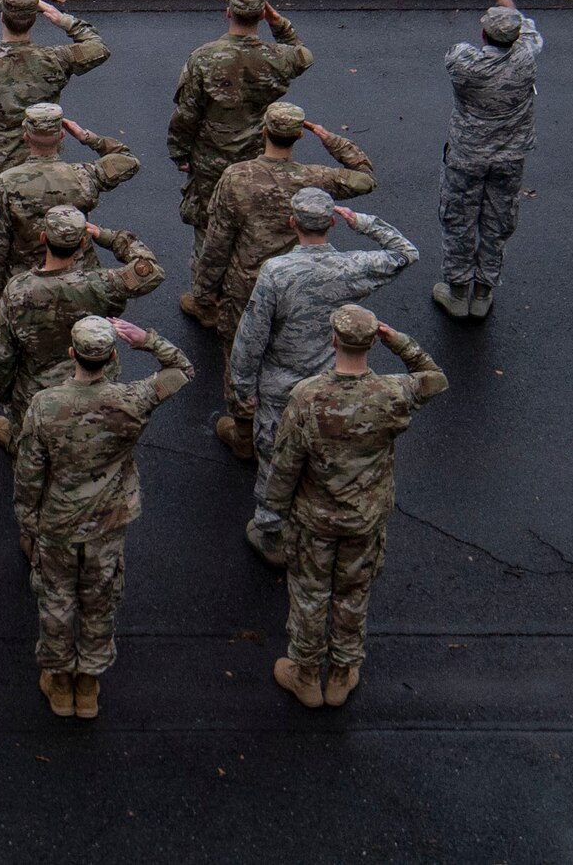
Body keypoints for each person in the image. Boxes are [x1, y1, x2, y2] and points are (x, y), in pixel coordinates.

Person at [265, 306, 447, 709]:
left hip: (315, 517)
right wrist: (399, 340)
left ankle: (306, 674)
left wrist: (275, 510)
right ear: (371, 342)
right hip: (365, 517)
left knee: (310, 593)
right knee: (352, 593)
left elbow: (286, 462)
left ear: (333, 340)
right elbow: (435, 379)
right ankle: (343, 673)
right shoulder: (392, 393)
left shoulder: (308, 396)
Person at [14, 317, 192, 720]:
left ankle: (60, 683)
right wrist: (147, 339)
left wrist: (28, 520)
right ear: (112, 356)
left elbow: (28, 472)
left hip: (58, 520)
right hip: (109, 518)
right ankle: (89, 683)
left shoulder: (46, 405)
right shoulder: (133, 398)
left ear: (71, 354)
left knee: (56, 599)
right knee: (99, 598)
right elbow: (183, 370)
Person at [229, 192, 418, 565]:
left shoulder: (276, 272)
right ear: (331, 223)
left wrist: (243, 387)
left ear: (292, 223)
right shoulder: (353, 267)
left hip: (281, 386)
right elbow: (405, 252)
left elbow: (251, 337)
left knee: (273, 455)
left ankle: (271, 532)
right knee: (325, 453)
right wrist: (360, 220)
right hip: (331, 383)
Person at [185, 103, 374, 438]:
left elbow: (217, 243)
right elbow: (364, 177)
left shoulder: (237, 178)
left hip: (247, 284)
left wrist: (204, 291)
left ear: (263, 131)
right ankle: (288, 419)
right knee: (289, 346)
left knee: (240, 348)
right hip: (299, 283)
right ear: (299, 135)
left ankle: (244, 430)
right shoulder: (315, 179)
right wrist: (331, 139)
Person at [0, 207, 165, 453]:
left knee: (33, 437)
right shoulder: (102, 285)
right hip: (95, 372)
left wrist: (4, 394)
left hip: (38, 388)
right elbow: (151, 271)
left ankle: (19, 440)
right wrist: (108, 237)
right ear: (82, 243)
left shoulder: (17, 291)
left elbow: (1, 356)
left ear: (42, 239)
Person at [0, 0, 109, 257]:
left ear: (2, 17)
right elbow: (98, 49)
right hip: (43, 157)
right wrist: (64, 20)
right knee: (40, 222)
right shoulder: (55, 59)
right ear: (34, 19)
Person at [167, 0, 312, 257]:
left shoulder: (203, 58)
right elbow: (303, 56)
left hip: (211, 155)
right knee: (250, 222)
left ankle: (204, 296)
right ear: (262, 15)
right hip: (257, 152)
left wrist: (179, 153)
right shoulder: (278, 57)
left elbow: (187, 113)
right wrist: (279, 24)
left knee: (208, 225)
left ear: (228, 12)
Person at [0, 104, 140, 322]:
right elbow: (128, 160)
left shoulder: (7, 184)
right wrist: (87, 137)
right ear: (61, 135)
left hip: (26, 280)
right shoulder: (84, 176)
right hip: (77, 274)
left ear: (26, 137)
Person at [434, 0, 541, 319]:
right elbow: (532, 36)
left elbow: (454, 51)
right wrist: (513, 11)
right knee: (497, 221)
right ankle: (483, 292)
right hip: (510, 156)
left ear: (484, 35)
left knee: (459, 219)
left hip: (468, 155)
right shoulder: (526, 58)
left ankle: (457, 291)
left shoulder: (465, 64)